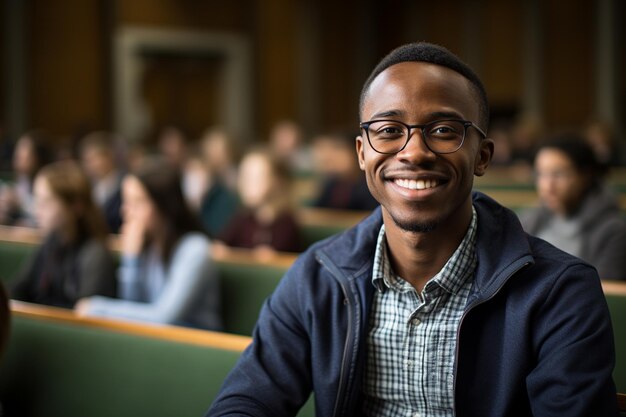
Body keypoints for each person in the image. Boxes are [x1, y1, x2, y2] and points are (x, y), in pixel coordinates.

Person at [207, 42, 618, 416]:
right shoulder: (318, 275)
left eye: (443, 131)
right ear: (362, 153)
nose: (415, 151)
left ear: (483, 155)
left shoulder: (561, 292)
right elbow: (246, 401)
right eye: (388, 131)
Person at [76, 157, 221, 330]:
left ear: (163, 205)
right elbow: (134, 313)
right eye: (126, 202)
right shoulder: (147, 244)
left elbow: (163, 317)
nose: (126, 212)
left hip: (196, 348)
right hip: (157, 345)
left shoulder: (195, 249)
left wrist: (96, 308)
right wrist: (131, 259)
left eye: (137, 202)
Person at [520, 133, 626, 281]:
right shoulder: (527, 221)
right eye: (541, 174)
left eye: (558, 174)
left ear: (585, 176)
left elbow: (606, 294)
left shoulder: (614, 231)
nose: (548, 185)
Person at [10, 160, 115, 308]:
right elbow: (18, 291)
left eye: (46, 202)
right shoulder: (51, 243)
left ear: (76, 206)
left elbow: (87, 317)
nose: (37, 211)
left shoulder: (95, 254)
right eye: (37, 200)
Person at [215, 148, 302, 255]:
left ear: (276, 181)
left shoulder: (285, 222)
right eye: (244, 177)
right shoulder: (242, 218)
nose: (246, 184)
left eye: (255, 178)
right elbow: (220, 245)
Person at [311, 130, 379, 211]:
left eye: (341, 152)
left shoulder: (370, 187)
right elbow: (316, 212)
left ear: (359, 154)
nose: (333, 158)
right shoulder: (332, 185)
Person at [0, 130, 52, 226]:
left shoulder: (48, 182)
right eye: (17, 155)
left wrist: (20, 203)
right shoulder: (22, 181)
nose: (17, 159)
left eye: (23, 156)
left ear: (38, 158)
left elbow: (47, 213)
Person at [79, 131, 124, 233]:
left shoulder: (125, 185)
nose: (88, 165)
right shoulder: (90, 186)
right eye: (86, 160)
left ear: (108, 157)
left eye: (92, 159)